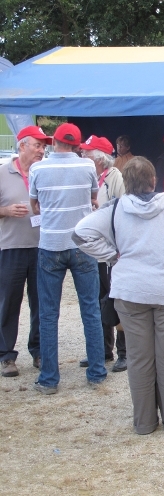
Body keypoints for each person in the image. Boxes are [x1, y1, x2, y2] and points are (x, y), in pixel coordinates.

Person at [73, 157, 164, 434]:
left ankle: (144, 423)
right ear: (153, 180)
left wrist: (112, 255)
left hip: (131, 293)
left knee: (139, 359)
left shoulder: (115, 209)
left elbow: (80, 233)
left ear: (125, 182)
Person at [29, 123, 107, 394]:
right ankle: (96, 372)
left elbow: (34, 205)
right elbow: (94, 198)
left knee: (49, 314)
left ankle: (49, 378)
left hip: (51, 244)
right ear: (76, 145)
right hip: (81, 245)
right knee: (90, 309)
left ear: (54, 142)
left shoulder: (38, 168)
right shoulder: (87, 167)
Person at [0, 125, 51, 378]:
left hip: (42, 247)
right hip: (11, 247)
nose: (42, 151)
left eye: (44, 147)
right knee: (9, 302)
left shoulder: (45, 173)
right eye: (38, 145)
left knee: (40, 302)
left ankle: (39, 351)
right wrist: (5, 211)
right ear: (22, 146)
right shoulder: (2, 173)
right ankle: (6, 355)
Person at [79, 135, 127, 373]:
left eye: (86, 153)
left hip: (110, 252)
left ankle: (124, 352)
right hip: (93, 251)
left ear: (99, 158)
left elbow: (124, 208)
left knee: (115, 300)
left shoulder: (114, 177)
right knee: (98, 301)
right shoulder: (88, 177)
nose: (82, 156)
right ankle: (102, 350)